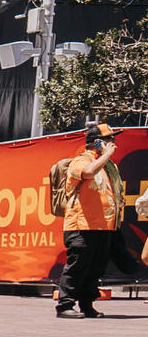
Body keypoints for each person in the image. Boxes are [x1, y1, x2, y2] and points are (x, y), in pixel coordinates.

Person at [57, 123, 125, 319]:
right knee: (77, 266)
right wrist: (105, 155)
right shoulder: (82, 160)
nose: (113, 143)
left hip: (103, 226)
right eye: (109, 139)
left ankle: (87, 305)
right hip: (82, 225)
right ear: (97, 142)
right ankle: (64, 305)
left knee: (95, 267)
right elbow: (87, 172)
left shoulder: (107, 166)